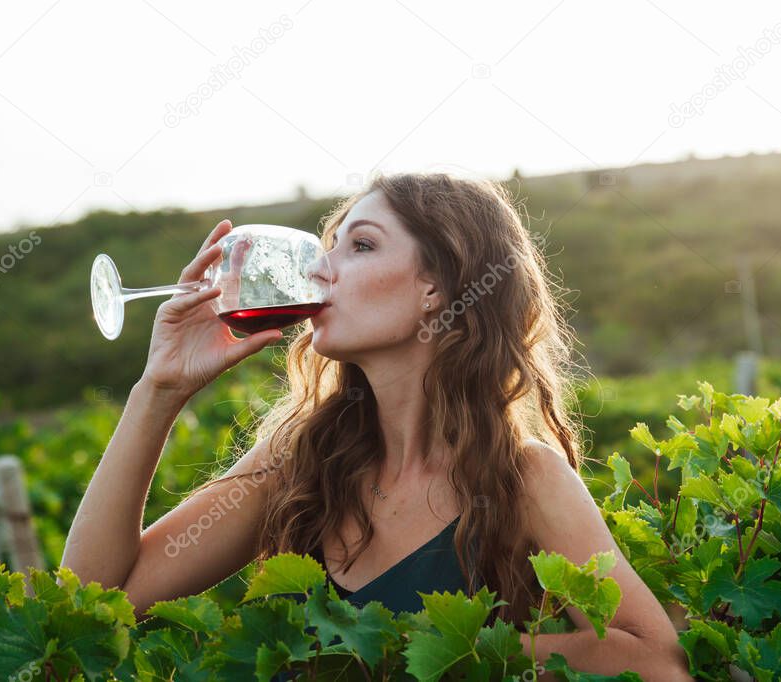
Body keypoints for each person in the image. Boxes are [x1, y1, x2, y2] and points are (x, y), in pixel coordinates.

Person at [61, 172, 693, 680]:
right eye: (329, 245)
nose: (318, 269)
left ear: (438, 289)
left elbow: (653, 658)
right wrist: (158, 392)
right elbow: (90, 600)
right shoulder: (293, 464)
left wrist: (420, 653)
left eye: (359, 246)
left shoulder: (522, 478)